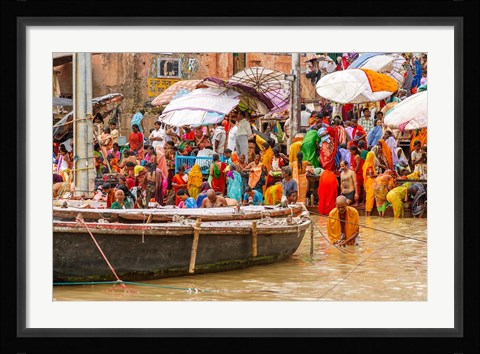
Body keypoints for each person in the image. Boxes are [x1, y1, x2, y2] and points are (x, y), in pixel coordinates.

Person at [362, 151, 377, 216]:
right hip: (371, 182)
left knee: (368, 197)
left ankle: (366, 214)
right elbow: (371, 175)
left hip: (367, 182)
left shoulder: (365, 164)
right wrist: (378, 175)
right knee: (370, 198)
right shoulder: (370, 165)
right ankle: (368, 214)